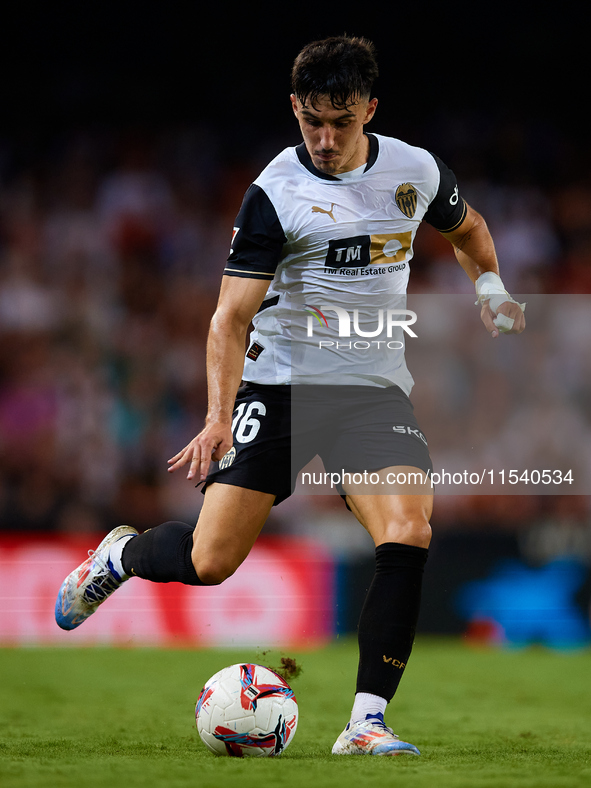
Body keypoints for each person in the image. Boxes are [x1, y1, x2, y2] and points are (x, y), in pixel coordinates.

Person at [55, 36, 525, 756]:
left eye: (341, 120)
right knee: (211, 561)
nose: (326, 138)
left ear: (371, 108)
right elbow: (229, 318)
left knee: (408, 532)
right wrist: (217, 417)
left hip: (369, 392)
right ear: (295, 110)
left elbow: (469, 230)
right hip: (278, 387)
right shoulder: (275, 193)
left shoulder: (415, 171)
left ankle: (365, 723)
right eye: (311, 121)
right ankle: (119, 558)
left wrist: (489, 289)